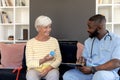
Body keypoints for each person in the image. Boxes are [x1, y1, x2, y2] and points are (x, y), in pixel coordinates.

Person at [63, 14, 120, 80]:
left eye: (90, 27)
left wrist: (93, 69)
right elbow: (85, 59)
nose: (87, 30)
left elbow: (116, 62)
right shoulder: (88, 42)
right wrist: (81, 63)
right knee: (68, 75)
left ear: (99, 28)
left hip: (107, 72)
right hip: (89, 71)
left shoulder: (116, 40)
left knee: (99, 75)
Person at [26, 15, 62, 80]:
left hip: (50, 69)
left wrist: (48, 68)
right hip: (34, 70)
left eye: (50, 27)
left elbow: (58, 59)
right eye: (46, 27)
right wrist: (44, 60)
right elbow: (29, 63)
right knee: (31, 76)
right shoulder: (30, 42)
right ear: (38, 28)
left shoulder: (54, 41)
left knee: (54, 74)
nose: (49, 30)